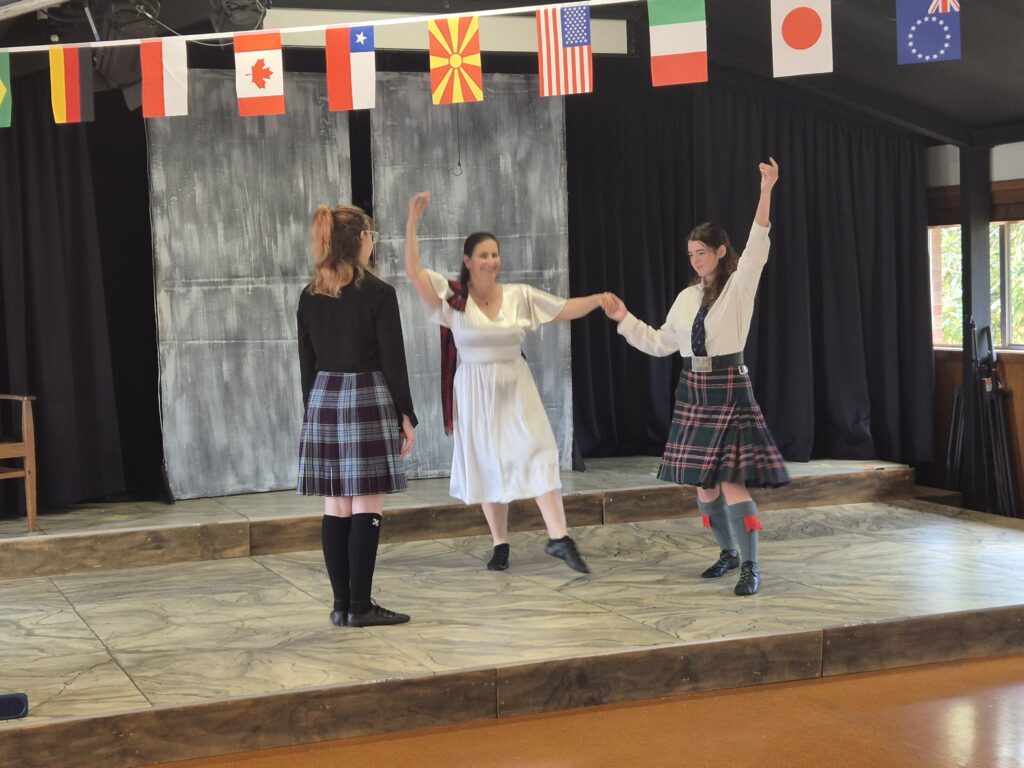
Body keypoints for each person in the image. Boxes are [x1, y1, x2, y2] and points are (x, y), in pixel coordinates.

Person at [404, 191, 615, 574]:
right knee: (489, 464)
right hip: (474, 388)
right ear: (468, 261)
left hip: (515, 385)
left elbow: (561, 308)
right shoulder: (453, 299)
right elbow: (415, 273)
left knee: (539, 452)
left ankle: (559, 537)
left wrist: (598, 300)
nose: (491, 261)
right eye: (483, 255)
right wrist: (413, 222)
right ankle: (500, 544)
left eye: (495, 254)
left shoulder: (518, 296)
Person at [605, 159, 788, 596]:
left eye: (702, 252)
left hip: (729, 387)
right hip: (694, 390)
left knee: (731, 480)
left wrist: (766, 189)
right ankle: (726, 552)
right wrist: (624, 318)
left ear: (721, 250)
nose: (696, 259)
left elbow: (759, 238)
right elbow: (660, 342)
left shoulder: (740, 285)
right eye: (691, 254)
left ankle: (750, 565)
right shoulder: (687, 297)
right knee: (703, 487)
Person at [297, 203, 417, 627]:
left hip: (324, 398)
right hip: (368, 396)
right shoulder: (380, 294)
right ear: (362, 239)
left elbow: (306, 364)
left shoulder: (310, 294)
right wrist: (407, 415)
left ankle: (341, 605)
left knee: (336, 506)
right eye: (373, 237)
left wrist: (314, 409)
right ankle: (360, 607)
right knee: (367, 504)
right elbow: (394, 360)